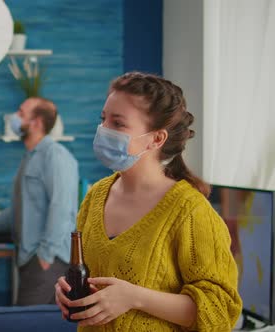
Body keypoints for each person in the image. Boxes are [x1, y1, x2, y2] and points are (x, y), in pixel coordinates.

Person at [54, 72, 242, 330]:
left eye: (118, 124)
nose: (103, 130)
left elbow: (220, 312)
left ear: (157, 138)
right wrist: (66, 289)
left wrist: (135, 298)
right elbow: (90, 274)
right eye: (103, 119)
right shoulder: (95, 196)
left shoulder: (189, 211)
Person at [0, 97, 78, 305]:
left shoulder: (55, 156)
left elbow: (62, 209)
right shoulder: (30, 157)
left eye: (21, 113)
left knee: (24, 322)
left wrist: (45, 257)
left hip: (46, 260)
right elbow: (20, 211)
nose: (14, 117)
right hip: (30, 258)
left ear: (37, 123)